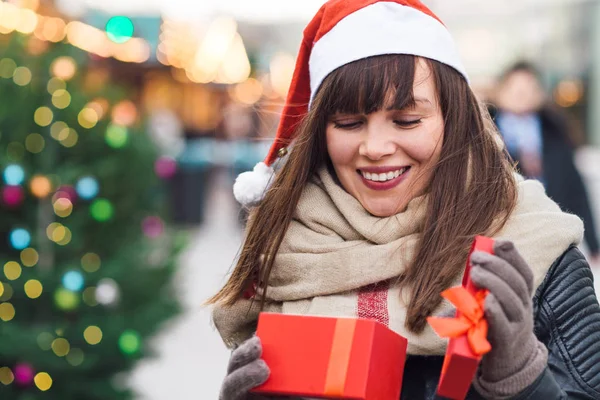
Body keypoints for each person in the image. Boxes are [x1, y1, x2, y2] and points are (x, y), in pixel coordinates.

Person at [207, 1, 600, 399]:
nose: (375, 148)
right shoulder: (281, 248)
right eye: (348, 123)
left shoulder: (532, 246)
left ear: (454, 118)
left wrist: (523, 380)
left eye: (407, 120)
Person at [491, 61, 600, 264]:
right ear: (501, 91)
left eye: (528, 88)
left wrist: (594, 244)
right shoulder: (484, 133)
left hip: (553, 234)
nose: (521, 94)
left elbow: (576, 189)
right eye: (515, 88)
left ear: (539, 94)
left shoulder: (555, 130)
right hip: (505, 238)